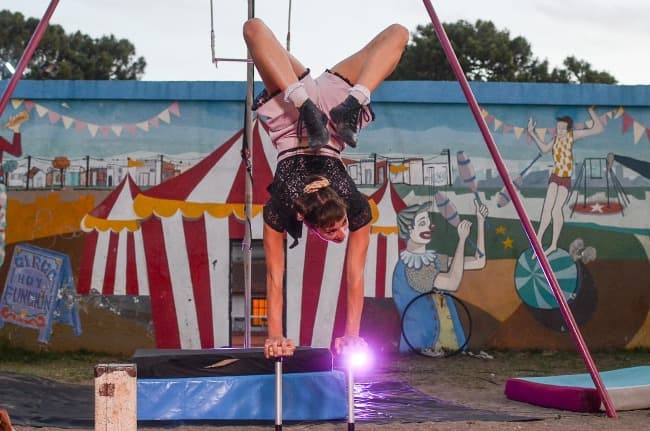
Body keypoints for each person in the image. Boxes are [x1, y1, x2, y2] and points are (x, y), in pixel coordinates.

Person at [242, 18, 409, 359]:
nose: (342, 233)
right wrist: (350, 336)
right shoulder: (356, 207)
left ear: (307, 220)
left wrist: (275, 335)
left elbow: (276, 279)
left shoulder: (280, 210)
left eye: (334, 230)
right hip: (333, 123)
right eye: (340, 227)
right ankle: (339, 102)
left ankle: (319, 104)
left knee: (254, 31)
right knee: (398, 33)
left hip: (293, 122)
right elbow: (355, 278)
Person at [392, 199, 487, 356]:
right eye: (422, 223)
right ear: (409, 229)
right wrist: (461, 241)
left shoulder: (433, 260)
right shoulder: (410, 267)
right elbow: (452, 282)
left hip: (446, 344)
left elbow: (479, 261)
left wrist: (481, 222)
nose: (429, 227)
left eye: (428, 222)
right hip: (422, 343)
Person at [527, 107, 604, 256]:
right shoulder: (555, 139)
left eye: (563, 128)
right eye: (558, 128)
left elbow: (598, 129)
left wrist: (591, 111)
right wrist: (532, 132)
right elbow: (543, 149)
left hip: (565, 179)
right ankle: (538, 240)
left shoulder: (572, 136)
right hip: (555, 176)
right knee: (547, 208)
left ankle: (553, 244)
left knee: (556, 209)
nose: (560, 131)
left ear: (568, 129)